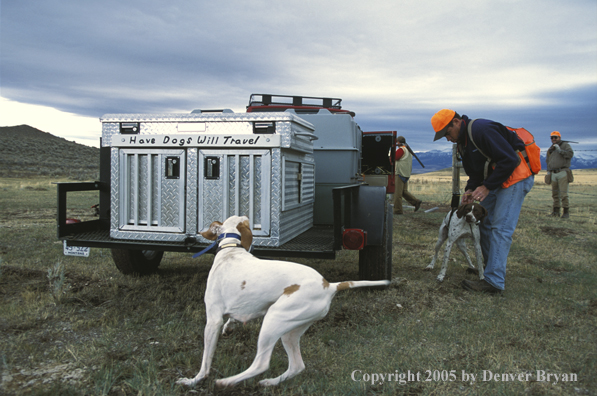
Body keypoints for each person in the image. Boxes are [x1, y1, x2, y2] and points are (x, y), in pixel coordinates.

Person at [431, 109, 534, 294]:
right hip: (498, 179)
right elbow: (476, 173)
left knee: (500, 228)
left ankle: (494, 282)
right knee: (483, 223)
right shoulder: (463, 142)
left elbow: (510, 160)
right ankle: (489, 270)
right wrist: (470, 189)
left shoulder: (481, 130)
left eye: (447, 133)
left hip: (516, 177)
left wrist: (486, 187)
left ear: (456, 122)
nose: (447, 139)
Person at [546, 131, 574, 218]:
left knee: (563, 194)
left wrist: (560, 150)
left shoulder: (565, 145)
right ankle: (556, 212)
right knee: (555, 194)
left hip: (562, 172)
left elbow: (570, 154)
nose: (553, 139)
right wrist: (549, 171)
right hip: (553, 173)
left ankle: (566, 213)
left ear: (559, 138)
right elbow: (548, 160)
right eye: (552, 137)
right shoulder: (551, 148)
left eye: (555, 137)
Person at [393, 136, 422, 214]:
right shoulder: (408, 151)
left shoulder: (401, 150)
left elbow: (394, 157)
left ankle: (397, 211)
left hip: (399, 173)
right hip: (406, 173)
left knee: (397, 194)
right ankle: (416, 202)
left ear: (398, 142)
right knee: (404, 192)